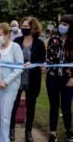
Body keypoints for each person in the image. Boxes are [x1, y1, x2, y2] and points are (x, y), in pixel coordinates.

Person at [9, 16, 46, 142]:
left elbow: (42, 60)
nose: (24, 28)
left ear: (33, 27)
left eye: (26, 26)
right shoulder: (17, 41)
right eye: (22, 26)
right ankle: (11, 129)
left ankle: (28, 131)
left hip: (32, 79)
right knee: (13, 105)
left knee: (31, 106)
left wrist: (34, 63)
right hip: (17, 79)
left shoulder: (39, 43)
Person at [0, 22, 24, 142]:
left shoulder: (15, 47)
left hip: (8, 88)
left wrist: (6, 81)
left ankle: (4, 139)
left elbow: (19, 67)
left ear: (7, 34)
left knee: (5, 116)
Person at [46, 14, 73, 142]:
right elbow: (50, 59)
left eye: (65, 24)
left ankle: (69, 130)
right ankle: (52, 132)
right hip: (52, 77)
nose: (62, 26)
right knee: (54, 105)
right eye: (61, 23)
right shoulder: (53, 40)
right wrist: (43, 64)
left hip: (68, 78)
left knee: (66, 106)